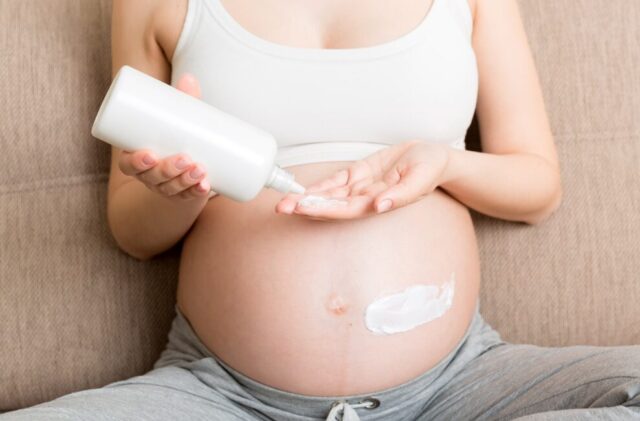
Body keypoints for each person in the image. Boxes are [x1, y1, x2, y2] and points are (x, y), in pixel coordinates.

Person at [3, 0, 639, 420]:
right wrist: (184, 189)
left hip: (458, 388)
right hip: (222, 396)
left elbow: (537, 185)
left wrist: (446, 164)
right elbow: (134, 232)